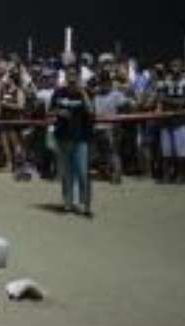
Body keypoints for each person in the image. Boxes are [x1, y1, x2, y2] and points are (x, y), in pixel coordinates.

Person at [50, 64, 95, 216]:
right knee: (66, 173)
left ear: (79, 76)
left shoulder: (85, 92)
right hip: (62, 136)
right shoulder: (59, 92)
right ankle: (68, 202)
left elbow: (90, 111)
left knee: (82, 172)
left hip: (80, 137)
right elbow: (50, 110)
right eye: (69, 74)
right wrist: (59, 111)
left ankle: (85, 204)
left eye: (74, 74)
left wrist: (83, 93)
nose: (71, 77)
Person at [156, 59, 185, 183]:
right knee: (166, 151)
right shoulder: (164, 82)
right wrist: (170, 102)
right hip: (166, 121)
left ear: (181, 67)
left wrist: (167, 100)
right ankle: (167, 175)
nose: (174, 68)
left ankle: (181, 175)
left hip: (180, 121)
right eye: (172, 66)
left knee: (182, 152)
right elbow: (160, 99)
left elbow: (183, 102)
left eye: (177, 66)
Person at [93, 74, 131, 183]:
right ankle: (106, 173)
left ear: (109, 83)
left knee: (113, 151)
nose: (103, 84)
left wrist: (121, 115)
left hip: (112, 127)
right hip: (98, 127)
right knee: (102, 153)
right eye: (101, 82)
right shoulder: (97, 96)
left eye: (105, 82)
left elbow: (127, 105)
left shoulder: (116, 94)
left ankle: (117, 175)